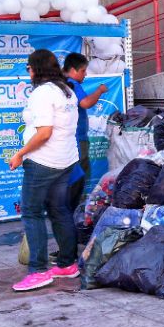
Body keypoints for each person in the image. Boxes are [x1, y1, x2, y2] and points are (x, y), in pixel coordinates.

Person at [9, 49, 81, 291]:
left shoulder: (42, 93)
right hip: (65, 160)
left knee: (31, 212)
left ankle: (39, 270)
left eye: (28, 68)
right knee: (59, 209)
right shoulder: (66, 90)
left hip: (43, 162)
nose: (28, 72)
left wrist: (20, 154)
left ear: (36, 68)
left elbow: (44, 133)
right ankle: (67, 264)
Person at [62, 52, 107, 209]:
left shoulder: (61, 84)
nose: (85, 74)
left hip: (69, 139)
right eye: (83, 71)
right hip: (76, 139)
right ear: (73, 70)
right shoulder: (72, 84)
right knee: (78, 176)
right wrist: (99, 91)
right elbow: (86, 103)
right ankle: (75, 210)